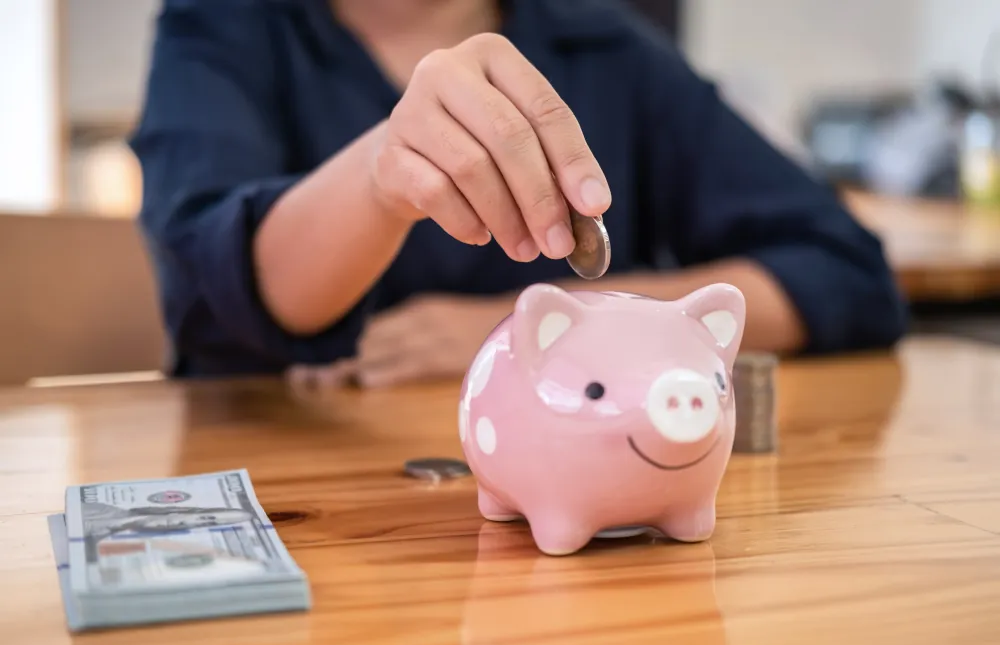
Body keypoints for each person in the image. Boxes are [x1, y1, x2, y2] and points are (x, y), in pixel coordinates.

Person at [129, 0, 908, 388]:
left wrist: (555, 329)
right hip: (304, 509)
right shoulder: (223, 27)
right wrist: (383, 174)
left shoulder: (602, 41)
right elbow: (211, 292)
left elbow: (845, 273)